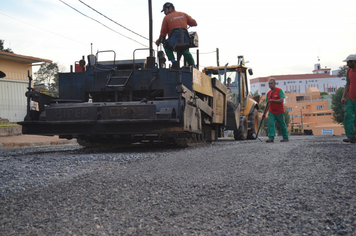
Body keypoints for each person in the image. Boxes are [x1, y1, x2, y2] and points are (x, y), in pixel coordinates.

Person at [155, 2, 197, 67]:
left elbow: (163, 34)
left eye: (165, 10)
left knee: (165, 44)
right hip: (185, 41)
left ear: (170, 8)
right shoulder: (183, 14)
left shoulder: (166, 18)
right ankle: (193, 65)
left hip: (173, 43)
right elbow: (194, 23)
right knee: (185, 50)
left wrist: (158, 41)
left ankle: (173, 62)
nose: (164, 13)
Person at [262, 77, 289, 142]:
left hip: (280, 112)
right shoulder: (268, 94)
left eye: (271, 83)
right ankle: (271, 138)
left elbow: (281, 100)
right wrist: (264, 114)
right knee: (270, 124)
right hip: (272, 112)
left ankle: (285, 137)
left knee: (282, 124)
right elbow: (268, 104)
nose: (270, 85)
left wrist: (272, 101)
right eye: (269, 84)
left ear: (275, 84)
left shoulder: (280, 91)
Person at [341, 54, 356, 143]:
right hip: (350, 98)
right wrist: (343, 96)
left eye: (348, 62)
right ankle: (351, 136)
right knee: (348, 116)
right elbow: (348, 84)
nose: (347, 64)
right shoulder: (349, 71)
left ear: (353, 62)